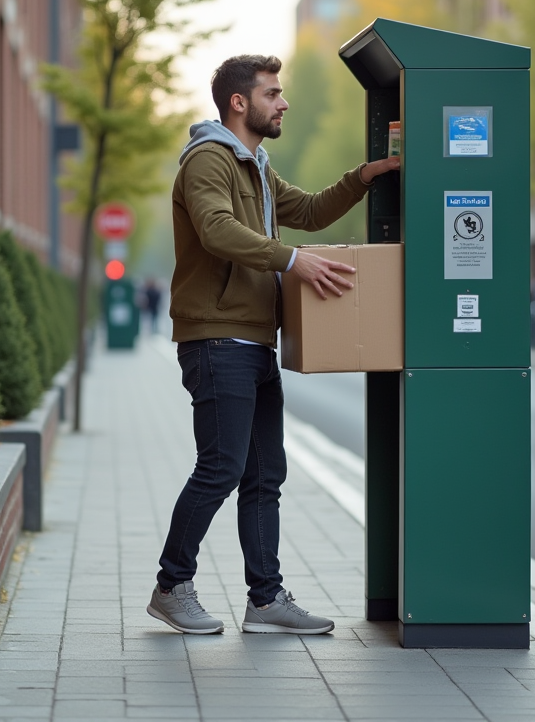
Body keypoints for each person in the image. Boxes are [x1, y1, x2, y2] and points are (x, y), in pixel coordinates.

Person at [146, 55, 400, 636]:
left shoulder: (256, 165)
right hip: (216, 337)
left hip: (256, 340)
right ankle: (170, 587)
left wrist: (366, 175)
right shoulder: (208, 160)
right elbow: (216, 229)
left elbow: (307, 211)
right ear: (239, 102)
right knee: (221, 468)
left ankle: (265, 602)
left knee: (265, 476)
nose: (283, 103)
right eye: (272, 93)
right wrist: (291, 261)